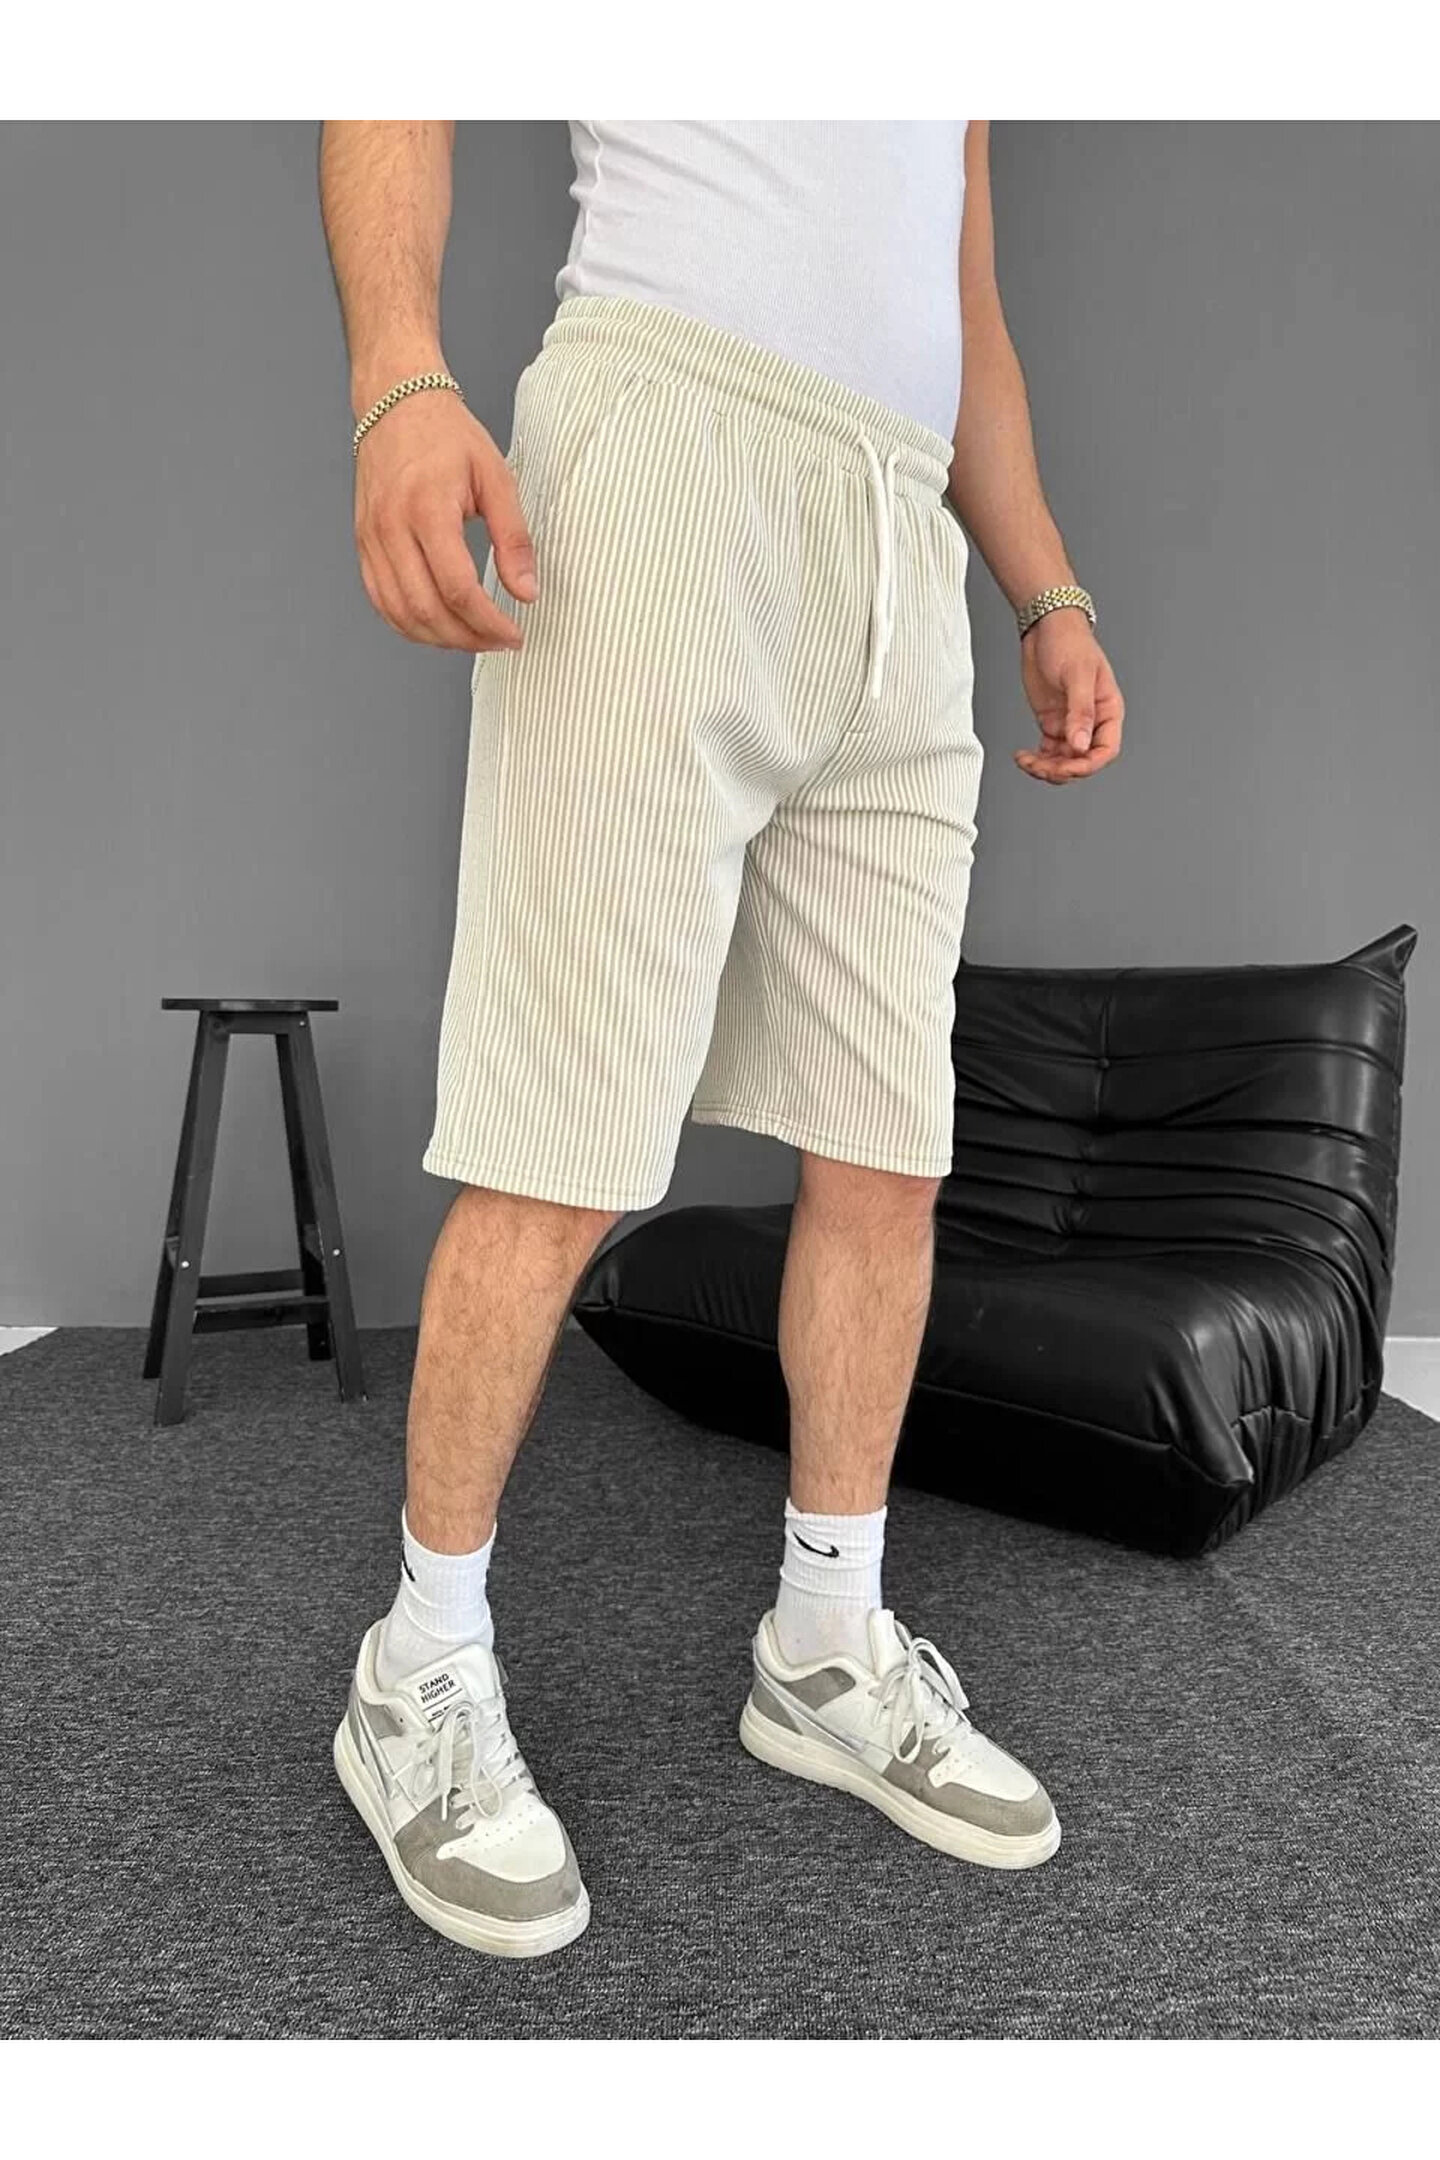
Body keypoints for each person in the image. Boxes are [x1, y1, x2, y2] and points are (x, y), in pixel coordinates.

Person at [318, 119, 1126, 1959]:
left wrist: (1047, 589)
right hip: (664, 442)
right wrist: (399, 377)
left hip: (903, 538)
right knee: (562, 1138)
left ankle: (824, 1645)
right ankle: (415, 1668)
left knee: (888, 1146)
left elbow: (966, 303)